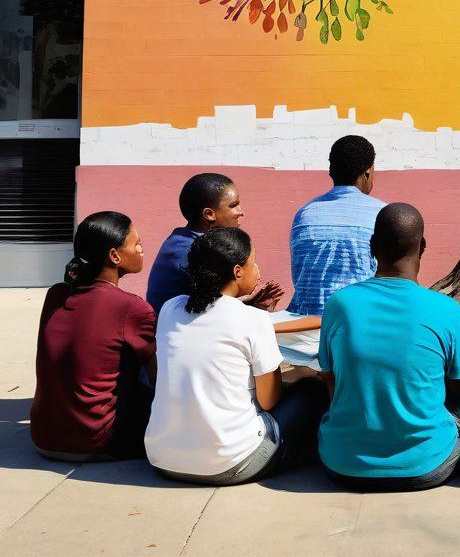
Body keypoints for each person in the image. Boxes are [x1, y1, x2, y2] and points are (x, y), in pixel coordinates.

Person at [145, 227, 327, 485]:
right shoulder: (253, 320)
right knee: (310, 389)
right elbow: (268, 400)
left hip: (162, 459)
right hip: (230, 464)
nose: (258, 270)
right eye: (253, 262)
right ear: (237, 272)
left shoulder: (170, 309)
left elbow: (212, 318)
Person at [318, 203, 460, 491]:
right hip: (427, 466)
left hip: (344, 466)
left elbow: (330, 380)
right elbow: (456, 385)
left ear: (373, 246)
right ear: (422, 246)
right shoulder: (446, 309)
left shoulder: (340, 305)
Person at [31, 211, 156, 461]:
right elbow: (159, 377)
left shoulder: (56, 295)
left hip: (43, 436)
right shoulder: (132, 307)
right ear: (114, 256)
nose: (142, 249)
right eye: (137, 244)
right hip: (95, 442)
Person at [146, 172, 282, 316]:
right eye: (234, 205)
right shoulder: (195, 251)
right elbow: (213, 311)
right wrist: (249, 305)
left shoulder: (182, 238)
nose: (241, 212)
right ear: (209, 214)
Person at [289, 135, 386, 316]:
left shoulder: (305, 214)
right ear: (367, 173)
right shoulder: (384, 214)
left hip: (304, 322)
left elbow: (298, 276)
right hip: (360, 321)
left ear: (331, 172)